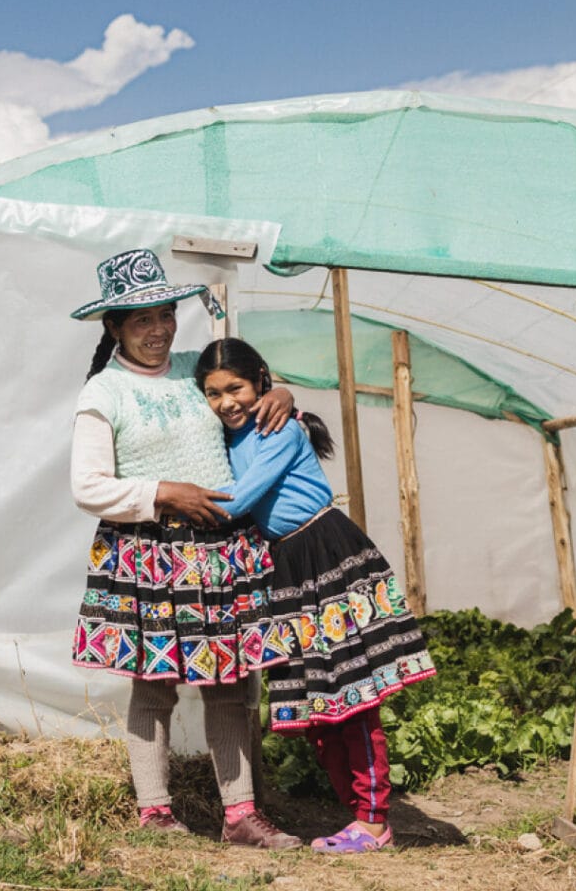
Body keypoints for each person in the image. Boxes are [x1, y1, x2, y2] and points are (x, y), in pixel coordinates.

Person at [69, 248, 301, 850]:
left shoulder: (197, 367)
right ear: (115, 327)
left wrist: (285, 393)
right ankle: (155, 813)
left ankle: (241, 816)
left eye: (165, 313)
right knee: (153, 685)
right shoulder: (105, 392)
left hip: (223, 548)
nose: (158, 328)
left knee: (232, 681)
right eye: (141, 319)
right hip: (153, 551)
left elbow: (247, 383)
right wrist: (163, 493)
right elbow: (87, 486)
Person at [194, 337, 437, 854]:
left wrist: (171, 497)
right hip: (288, 565)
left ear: (259, 378)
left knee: (353, 694)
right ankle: (359, 814)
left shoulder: (280, 427)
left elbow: (239, 500)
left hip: (326, 554)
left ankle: (374, 821)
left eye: (234, 387)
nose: (226, 402)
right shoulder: (232, 431)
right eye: (213, 394)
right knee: (316, 702)